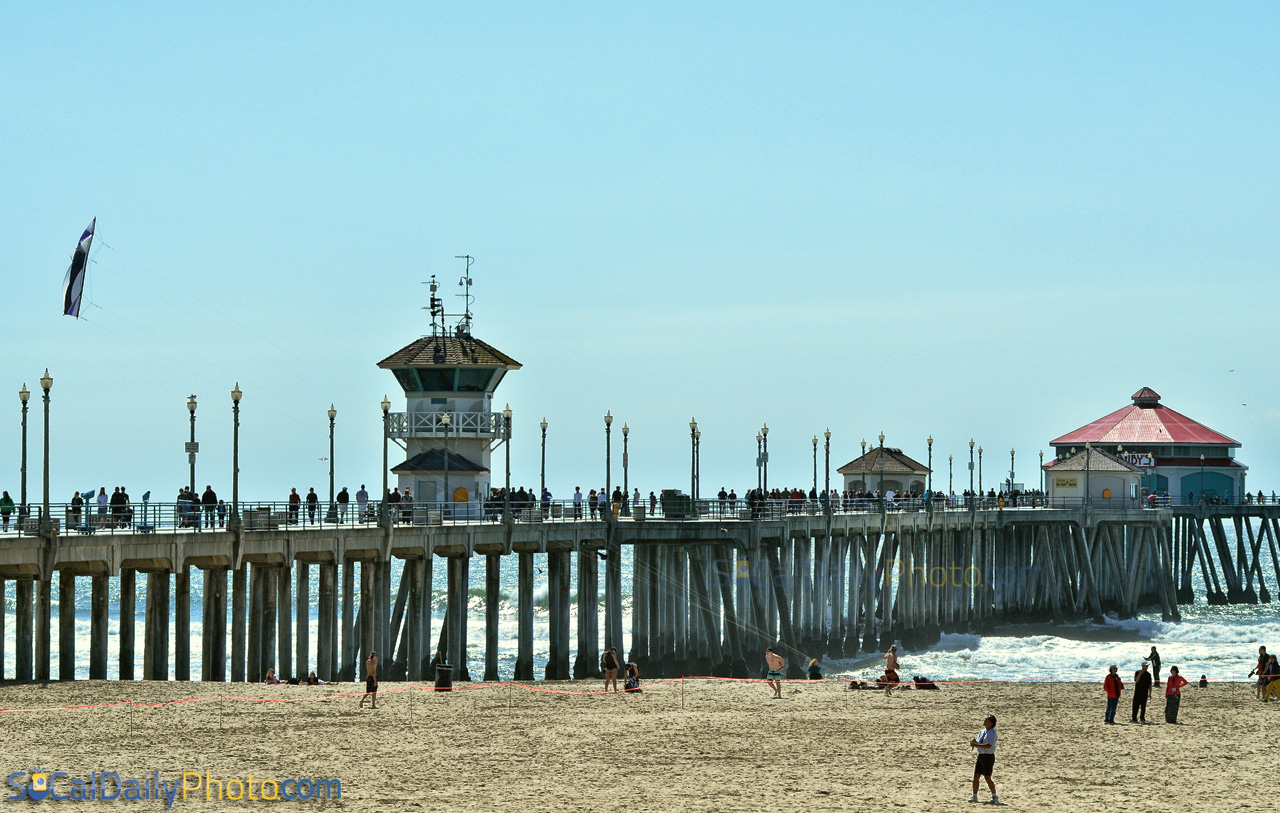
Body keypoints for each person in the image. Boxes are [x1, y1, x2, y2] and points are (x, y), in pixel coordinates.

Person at [969, 715, 998, 804]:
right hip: (981, 755)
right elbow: (979, 742)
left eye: (987, 720)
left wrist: (977, 745)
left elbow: (989, 745)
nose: (985, 721)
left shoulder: (992, 733)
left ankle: (994, 796)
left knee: (987, 777)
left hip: (988, 757)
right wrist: (974, 743)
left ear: (991, 723)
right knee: (976, 776)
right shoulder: (982, 731)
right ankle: (974, 796)